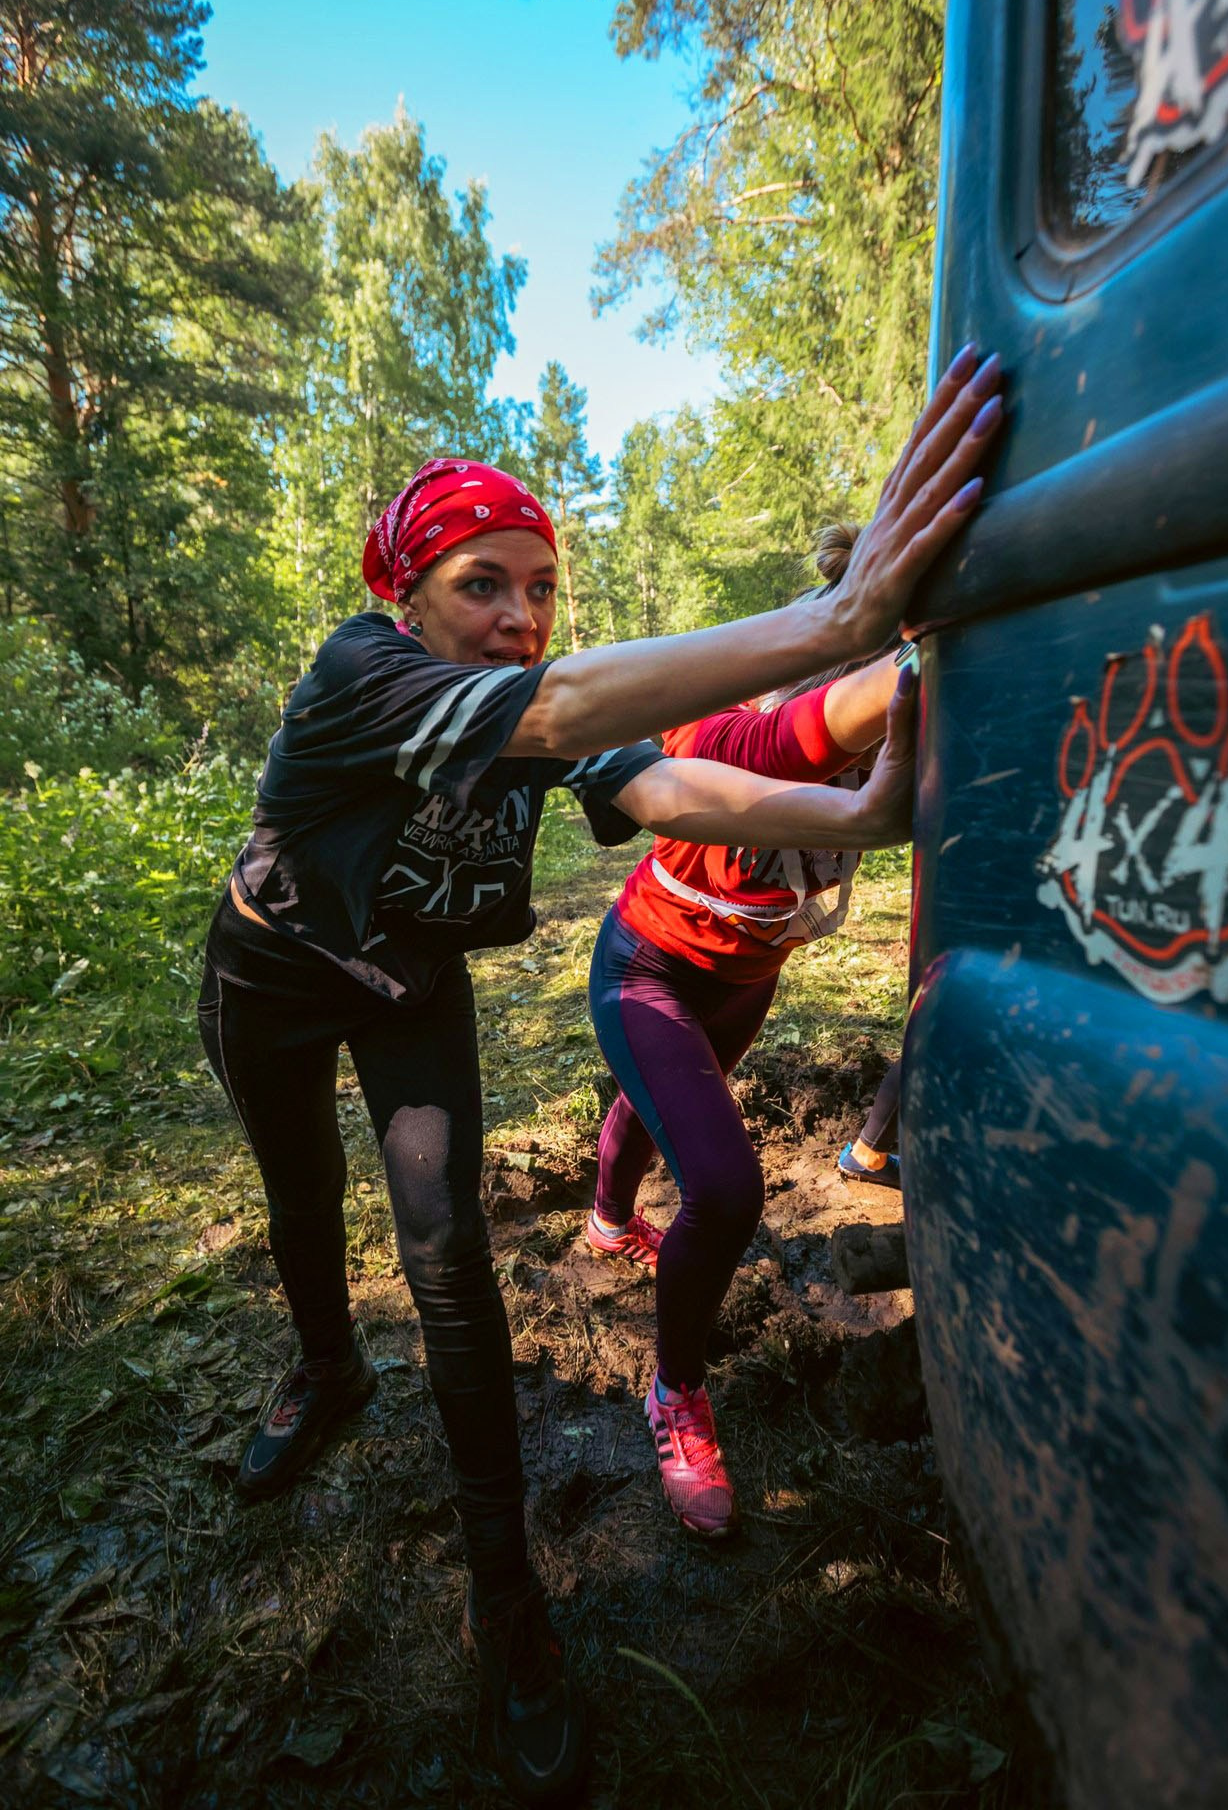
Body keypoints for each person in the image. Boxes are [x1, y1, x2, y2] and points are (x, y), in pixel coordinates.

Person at [197, 343, 1000, 1803]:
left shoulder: (530, 703)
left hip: (410, 993)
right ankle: (322, 1373)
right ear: (408, 598)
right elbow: (566, 711)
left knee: (449, 1268)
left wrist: (860, 813)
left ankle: (508, 1612)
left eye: (539, 588)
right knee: (303, 1205)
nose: (518, 617)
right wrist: (842, 616)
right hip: (271, 979)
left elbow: (656, 776)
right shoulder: (359, 672)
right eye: (480, 585)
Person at [581, 526, 919, 1542]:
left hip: (740, 985)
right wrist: (920, 639)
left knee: (655, 1107)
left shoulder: (874, 751)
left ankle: (605, 1222)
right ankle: (674, 1394)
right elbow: (817, 725)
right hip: (643, 968)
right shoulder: (730, 738)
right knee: (724, 1189)